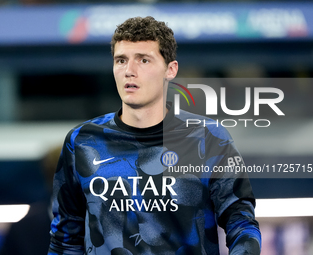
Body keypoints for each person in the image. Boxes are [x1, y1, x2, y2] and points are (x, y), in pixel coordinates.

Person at [48, 16, 261, 255]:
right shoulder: (82, 142)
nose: (129, 71)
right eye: (121, 60)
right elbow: (65, 241)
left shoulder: (209, 138)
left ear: (170, 70)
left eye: (144, 60)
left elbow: (241, 223)